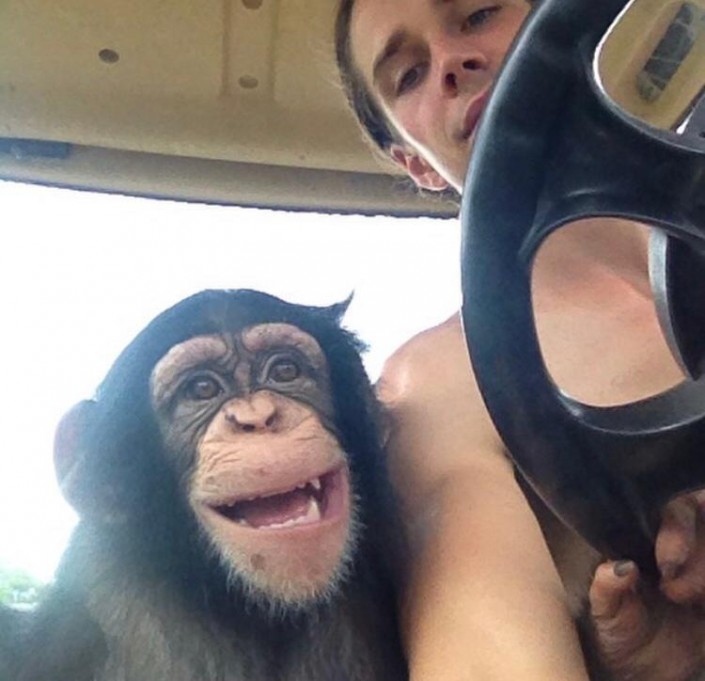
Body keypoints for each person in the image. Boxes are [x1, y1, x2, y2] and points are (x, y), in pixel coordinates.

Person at [334, 1, 705, 680]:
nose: (450, 64)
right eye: (409, 74)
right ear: (416, 164)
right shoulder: (439, 384)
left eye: (478, 14)